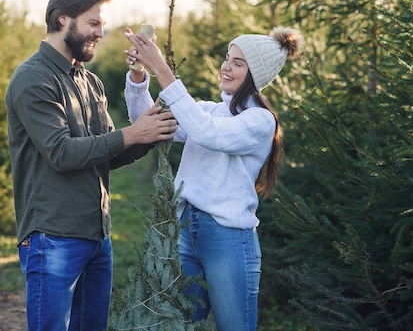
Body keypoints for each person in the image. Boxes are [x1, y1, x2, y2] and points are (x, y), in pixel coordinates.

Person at [5, 0, 177, 331]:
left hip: (97, 236)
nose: (101, 33)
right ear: (62, 19)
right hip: (52, 236)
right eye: (93, 23)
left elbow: (106, 153)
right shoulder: (33, 78)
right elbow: (62, 153)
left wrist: (148, 132)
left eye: (103, 24)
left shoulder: (90, 82)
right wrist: (131, 134)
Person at [123, 26, 304, 330]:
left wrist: (163, 69)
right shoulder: (210, 112)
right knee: (181, 324)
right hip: (187, 231)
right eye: (227, 58)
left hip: (228, 239)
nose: (226, 66)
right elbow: (148, 122)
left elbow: (208, 134)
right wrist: (141, 76)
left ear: (256, 75)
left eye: (238, 63)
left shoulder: (259, 120)